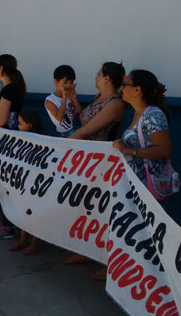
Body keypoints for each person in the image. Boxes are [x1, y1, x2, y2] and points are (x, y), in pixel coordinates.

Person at [67, 62, 125, 273]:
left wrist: (62, 146)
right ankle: (87, 251)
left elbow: (86, 131)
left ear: (107, 78)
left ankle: (106, 260)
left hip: (101, 163)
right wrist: (73, 99)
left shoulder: (115, 103)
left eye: (99, 74)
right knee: (86, 208)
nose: (96, 77)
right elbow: (86, 121)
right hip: (86, 161)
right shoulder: (100, 99)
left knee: (100, 210)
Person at [0, 54, 26, 238]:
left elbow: (1, 120)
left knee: (5, 184)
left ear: (1, 68)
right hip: (7, 142)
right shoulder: (12, 88)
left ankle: (7, 225)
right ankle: (7, 220)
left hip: (7, 144)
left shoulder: (9, 90)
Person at [113, 70, 173, 199]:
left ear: (137, 90)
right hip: (136, 187)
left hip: (147, 190)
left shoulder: (153, 115)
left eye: (124, 84)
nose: (121, 88)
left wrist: (129, 150)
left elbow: (164, 150)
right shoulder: (138, 114)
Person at [8, 110, 43, 255]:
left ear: (29, 125)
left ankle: (35, 242)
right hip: (22, 181)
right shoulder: (20, 137)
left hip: (35, 184)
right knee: (23, 210)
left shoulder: (40, 141)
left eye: (21, 123)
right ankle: (23, 239)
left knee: (36, 214)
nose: (17, 125)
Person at [45, 65, 82, 137]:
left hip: (78, 128)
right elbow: (59, 118)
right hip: (66, 133)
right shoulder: (50, 100)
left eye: (71, 82)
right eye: (65, 82)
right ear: (56, 82)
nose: (68, 85)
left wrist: (74, 99)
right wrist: (64, 99)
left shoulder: (70, 95)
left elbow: (81, 113)